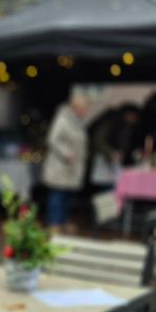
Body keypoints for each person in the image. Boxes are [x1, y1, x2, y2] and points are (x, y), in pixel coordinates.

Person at [42, 91, 90, 232]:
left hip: (73, 167)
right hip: (60, 166)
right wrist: (66, 153)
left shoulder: (78, 122)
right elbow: (52, 139)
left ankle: (63, 220)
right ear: (77, 107)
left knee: (68, 196)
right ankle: (54, 222)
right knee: (58, 195)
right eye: (85, 107)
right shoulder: (63, 119)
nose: (86, 111)